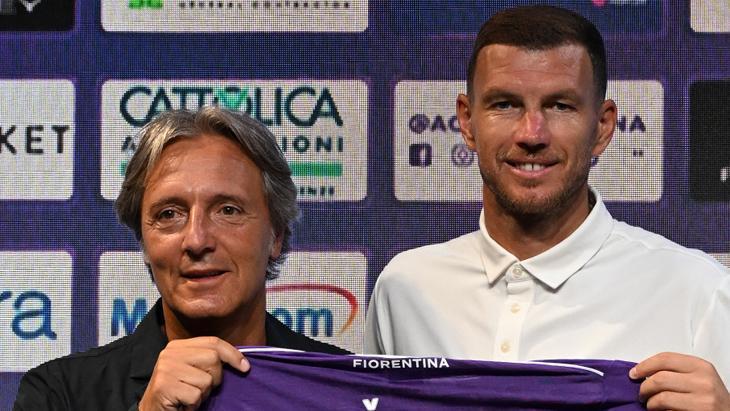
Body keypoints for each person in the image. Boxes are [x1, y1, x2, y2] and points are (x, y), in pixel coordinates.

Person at [364, 5, 730, 411]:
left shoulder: (699, 293)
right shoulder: (404, 289)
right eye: (505, 104)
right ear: (466, 122)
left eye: (560, 106)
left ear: (603, 126)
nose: (532, 134)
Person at [14, 107, 348, 411]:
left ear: (276, 236)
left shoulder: (342, 389)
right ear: (144, 242)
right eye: (169, 214)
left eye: (228, 210)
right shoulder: (58, 395)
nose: (197, 240)